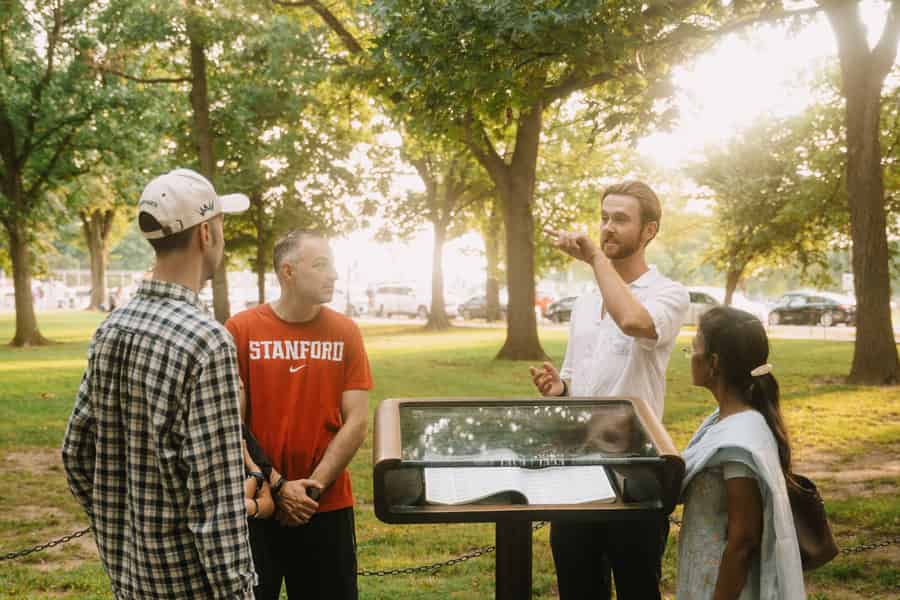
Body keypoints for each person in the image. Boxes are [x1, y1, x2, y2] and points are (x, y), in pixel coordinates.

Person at [61, 168, 257, 599]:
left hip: (130, 581)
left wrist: (120, 531)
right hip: (190, 588)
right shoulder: (207, 342)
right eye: (221, 224)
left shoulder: (112, 327)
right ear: (206, 233)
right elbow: (217, 504)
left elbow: (76, 453)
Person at [531, 181, 689, 600]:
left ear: (649, 231)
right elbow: (576, 380)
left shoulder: (669, 294)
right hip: (578, 472)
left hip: (635, 473)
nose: (607, 227)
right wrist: (560, 390)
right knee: (578, 589)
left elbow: (634, 323)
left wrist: (596, 259)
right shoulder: (585, 302)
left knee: (638, 588)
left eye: (620, 219)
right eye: (604, 218)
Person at [225, 229, 372, 600]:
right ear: (287, 272)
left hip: (324, 504)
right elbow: (231, 423)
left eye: (333, 265)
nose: (333, 275)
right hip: (256, 504)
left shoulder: (346, 332)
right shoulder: (241, 329)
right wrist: (278, 486)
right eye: (321, 265)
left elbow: (357, 421)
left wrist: (311, 489)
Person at [678, 306, 805, 599]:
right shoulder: (724, 420)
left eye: (693, 347)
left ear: (713, 363)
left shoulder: (739, 441)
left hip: (726, 587)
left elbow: (743, 541)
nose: (690, 355)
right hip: (706, 574)